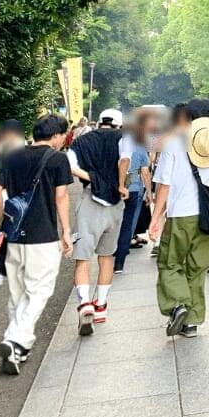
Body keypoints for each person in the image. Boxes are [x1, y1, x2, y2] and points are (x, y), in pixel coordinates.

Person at [0, 114, 74, 374]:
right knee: (39, 291)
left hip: (15, 237)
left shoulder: (11, 156)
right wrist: (66, 231)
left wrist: (3, 222)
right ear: (56, 135)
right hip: (44, 235)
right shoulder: (58, 158)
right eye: (64, 135)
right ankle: (14, 339)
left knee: (17, 293)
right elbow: (61, 197)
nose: (64, 140)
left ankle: (18, 350)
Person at [149, 101, 209, 338]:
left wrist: (156, 217)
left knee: (170, 263)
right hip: (205, 215)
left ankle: (179, 303)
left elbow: (164, 184)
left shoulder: (174, 142)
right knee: (196, 267)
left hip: (180, 215)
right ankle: (191, 322)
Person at [67, 107, 128, 334]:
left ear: (99, 121)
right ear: (118, 124)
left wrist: (92, 177)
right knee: (107, 257)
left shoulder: (82, 141)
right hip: (115, 202)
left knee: (83, 258)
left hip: (89, 200)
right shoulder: (124, 138)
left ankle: (84, 304)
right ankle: (101, 306)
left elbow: (70, 165)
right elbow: (125, 161)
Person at [113, 111, 152, 275]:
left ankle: (112, 249)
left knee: (115, 221)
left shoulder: (115, 142)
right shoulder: (140, 145)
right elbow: (145, 172)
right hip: (134, 186)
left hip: (115, 184)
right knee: (129, 222)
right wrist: (149, 192)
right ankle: (120, 259)